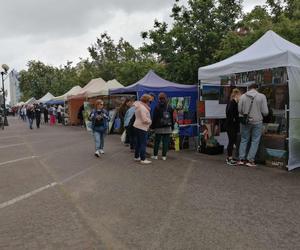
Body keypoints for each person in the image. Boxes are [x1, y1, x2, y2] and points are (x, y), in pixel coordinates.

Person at [238, 83, 269, 167]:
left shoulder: (243, 96)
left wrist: (245, 113)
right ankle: (250, 160)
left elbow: (239, 110)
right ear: (256, 88)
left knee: (244, 139)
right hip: (257, 121)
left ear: (249, 88)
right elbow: (265, 112)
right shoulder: (261, 96)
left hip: (246, 121)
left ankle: (241, 159)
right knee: (255, 141)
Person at [150, 92, 174, 161]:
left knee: (157, 142)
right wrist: (172, 126)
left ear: (159, 99)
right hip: (167, 126)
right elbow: (172, 118)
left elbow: (154, 118)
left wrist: (152, 127)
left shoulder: (157, 107)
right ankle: (164, 156)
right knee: (165, 142)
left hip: (158, 127)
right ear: (165, 98)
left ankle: (155, 155)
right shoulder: (169, 107)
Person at [133, 94, 152, 164]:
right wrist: (150, 121)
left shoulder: (139, 106)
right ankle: (143, 159)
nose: (150, 103)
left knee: (138, 143)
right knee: (143, 143)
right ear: (147, 101)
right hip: (142, 127)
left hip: (137, 126)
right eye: (150, 101)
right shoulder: (143, 108)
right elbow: (144, 119)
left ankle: (136, 156)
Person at [225, 88, 241, 166]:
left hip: (231, 125)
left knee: (232, 141)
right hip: (231, 126)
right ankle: (229, 158)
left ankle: (229, 157)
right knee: (231, 142)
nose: (240, 97)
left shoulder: (232, 102)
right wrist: (234, 120)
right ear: (237, 95)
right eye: (240, 96)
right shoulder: (233, 102)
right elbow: (230, 113)